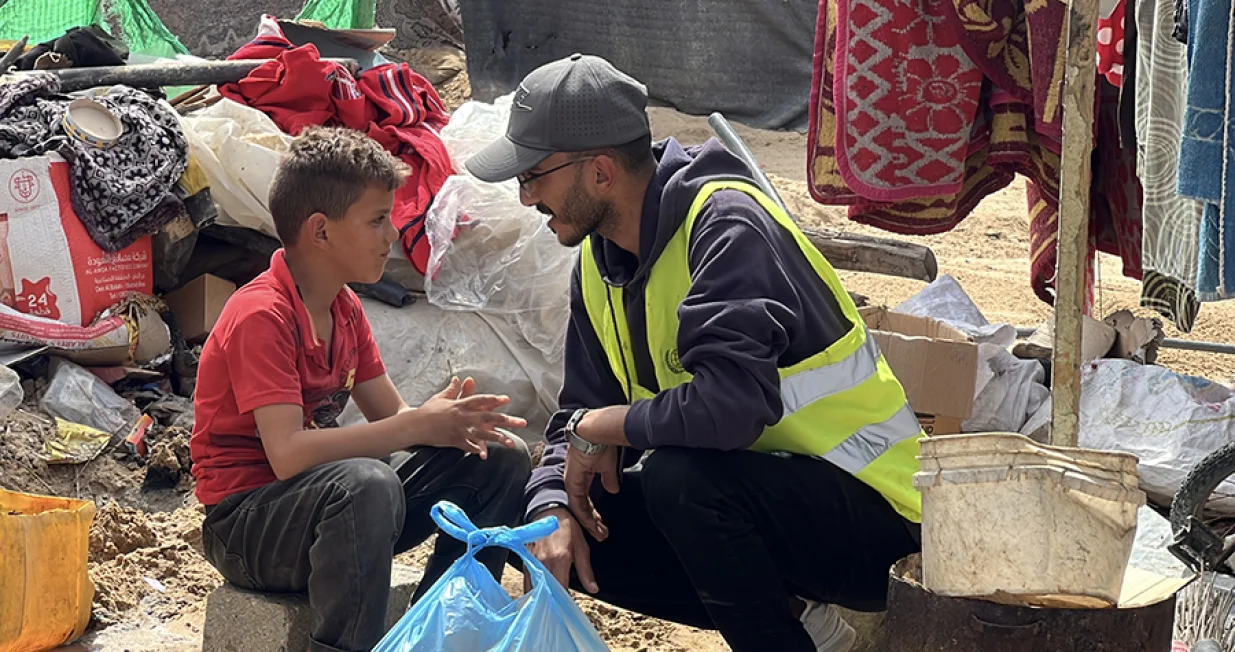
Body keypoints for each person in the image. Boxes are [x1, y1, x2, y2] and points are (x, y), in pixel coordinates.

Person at [466, 54, 923, 652]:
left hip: (882, 519)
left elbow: (732, 408)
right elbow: (577, 414)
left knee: (680, 480)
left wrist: (603, 426)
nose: (526, 198)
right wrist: (551, 506)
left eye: (533, 177)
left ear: (600, 172)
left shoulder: (726, 227)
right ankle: (808, 627)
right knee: (550, 519)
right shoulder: (600, 266)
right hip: (769, 504)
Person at [190, 126, 533, 652]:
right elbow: (286, 454)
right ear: (320, 232)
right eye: (376, 220)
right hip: (247, 526)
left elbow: (391, 418)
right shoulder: (263, 315)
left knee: (500, 456)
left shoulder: (345, 308)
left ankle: (444, 632)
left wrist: (440, 422)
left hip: (332, 509)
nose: (391, 234)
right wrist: (412, 425)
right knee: (367, 484)